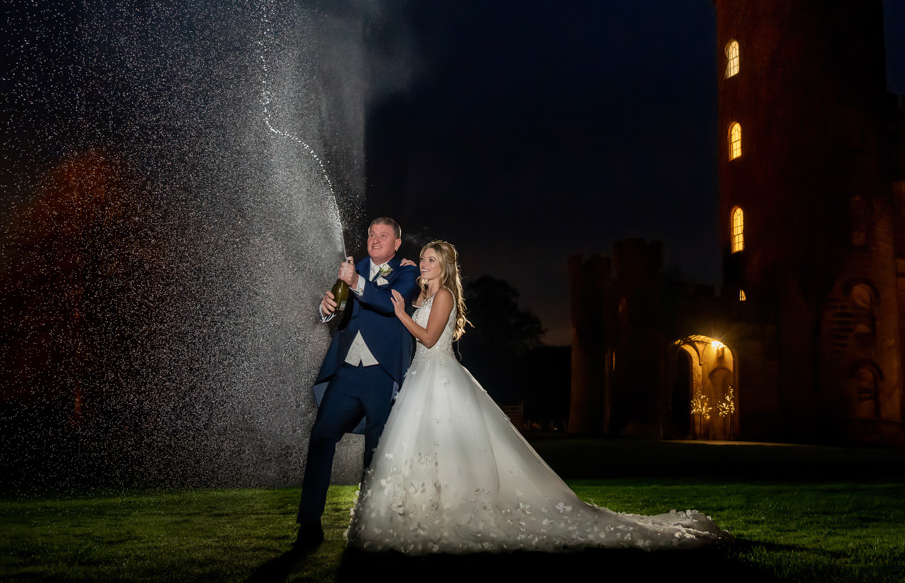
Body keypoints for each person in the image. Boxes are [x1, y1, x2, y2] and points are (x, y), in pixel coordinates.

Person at [346, 240, 729, 555]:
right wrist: (408, 280)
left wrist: (400, 313)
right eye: (424, 259)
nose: (425, 264)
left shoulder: (444, 294)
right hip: (422, 378)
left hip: (438, 376)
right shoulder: (426, 293)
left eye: (431, 260)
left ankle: (454, 511)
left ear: (445, 267)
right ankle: (421, 509)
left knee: (447, 445)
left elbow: (427, 338)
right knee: (425, 448)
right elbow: (409, 303)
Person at [295, 217, 420, 549]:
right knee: (321, 437)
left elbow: (388, 303)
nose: (375, 240)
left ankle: (372, 528)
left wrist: (356, 283)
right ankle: (309, 525)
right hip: (347, 372)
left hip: (382, 374)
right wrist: (325, 309)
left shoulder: (407, 273)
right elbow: (337, 307)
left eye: (384, 236)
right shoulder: (353, 268)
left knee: (376, 452)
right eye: (371, 234)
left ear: (396, 244)